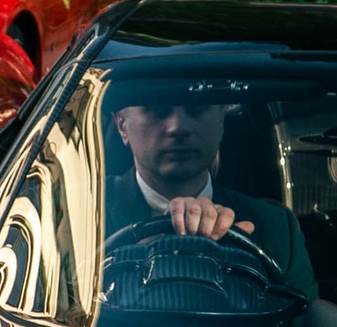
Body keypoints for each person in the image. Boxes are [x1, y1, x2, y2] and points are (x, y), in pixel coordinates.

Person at [108, 95, 317, 300]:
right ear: (122, 124)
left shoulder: (277, 228)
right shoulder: (80, 213)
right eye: (156, 109)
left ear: (222, 119)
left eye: (196, 109)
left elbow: (303, 326)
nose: (178, 127)